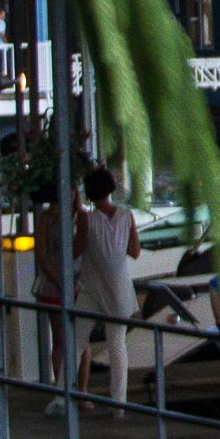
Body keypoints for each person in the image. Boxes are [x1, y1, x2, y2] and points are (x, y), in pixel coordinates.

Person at [71, 165, 142, 405]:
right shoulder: (126, 214)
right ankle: (119, 403)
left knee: (77, 343)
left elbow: (76, 250)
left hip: (92, 288)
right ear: (111, 188)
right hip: (120, 289)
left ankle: (62, 396)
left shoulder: (86, 219)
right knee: (117, 346)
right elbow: (134, 252)